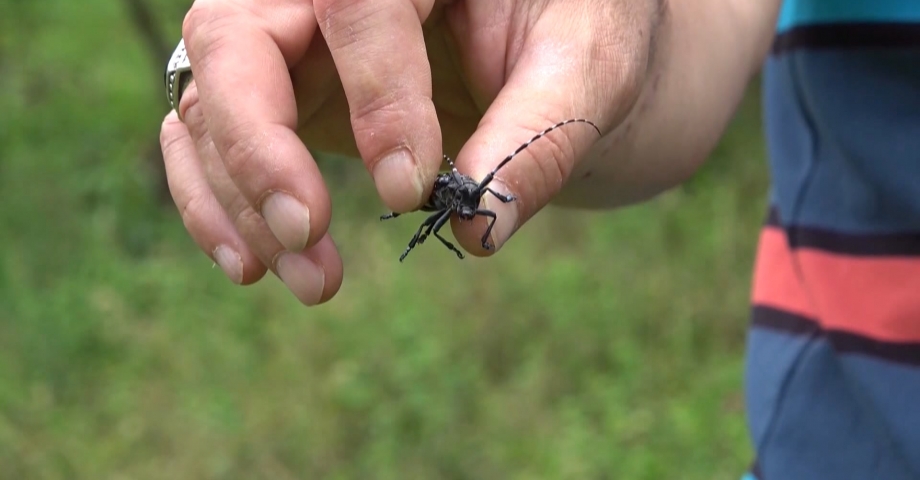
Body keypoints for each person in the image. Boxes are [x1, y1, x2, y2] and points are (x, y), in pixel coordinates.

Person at [158, 1, 920, 478]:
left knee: (450, 215)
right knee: (456, 210)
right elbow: (708, 24)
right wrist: (580, 57)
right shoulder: (467, 188)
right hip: (832, 449)